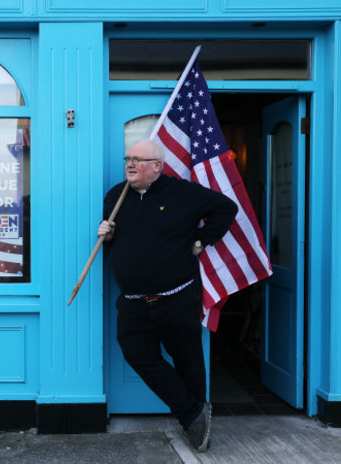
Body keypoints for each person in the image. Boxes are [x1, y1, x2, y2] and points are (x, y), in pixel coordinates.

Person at [98, 139, 238, 452]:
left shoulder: (183, 193)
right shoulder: (115, 197)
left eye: (138, 159)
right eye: (127, 159)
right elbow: (119, 237)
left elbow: (227, 208)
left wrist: (202, 240)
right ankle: (192, 413)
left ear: (157, 166)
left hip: (176, 299)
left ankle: (198, 425)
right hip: (134, 304)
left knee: (189, 360)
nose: (130, 164)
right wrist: (107, 235)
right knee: (138, 354)